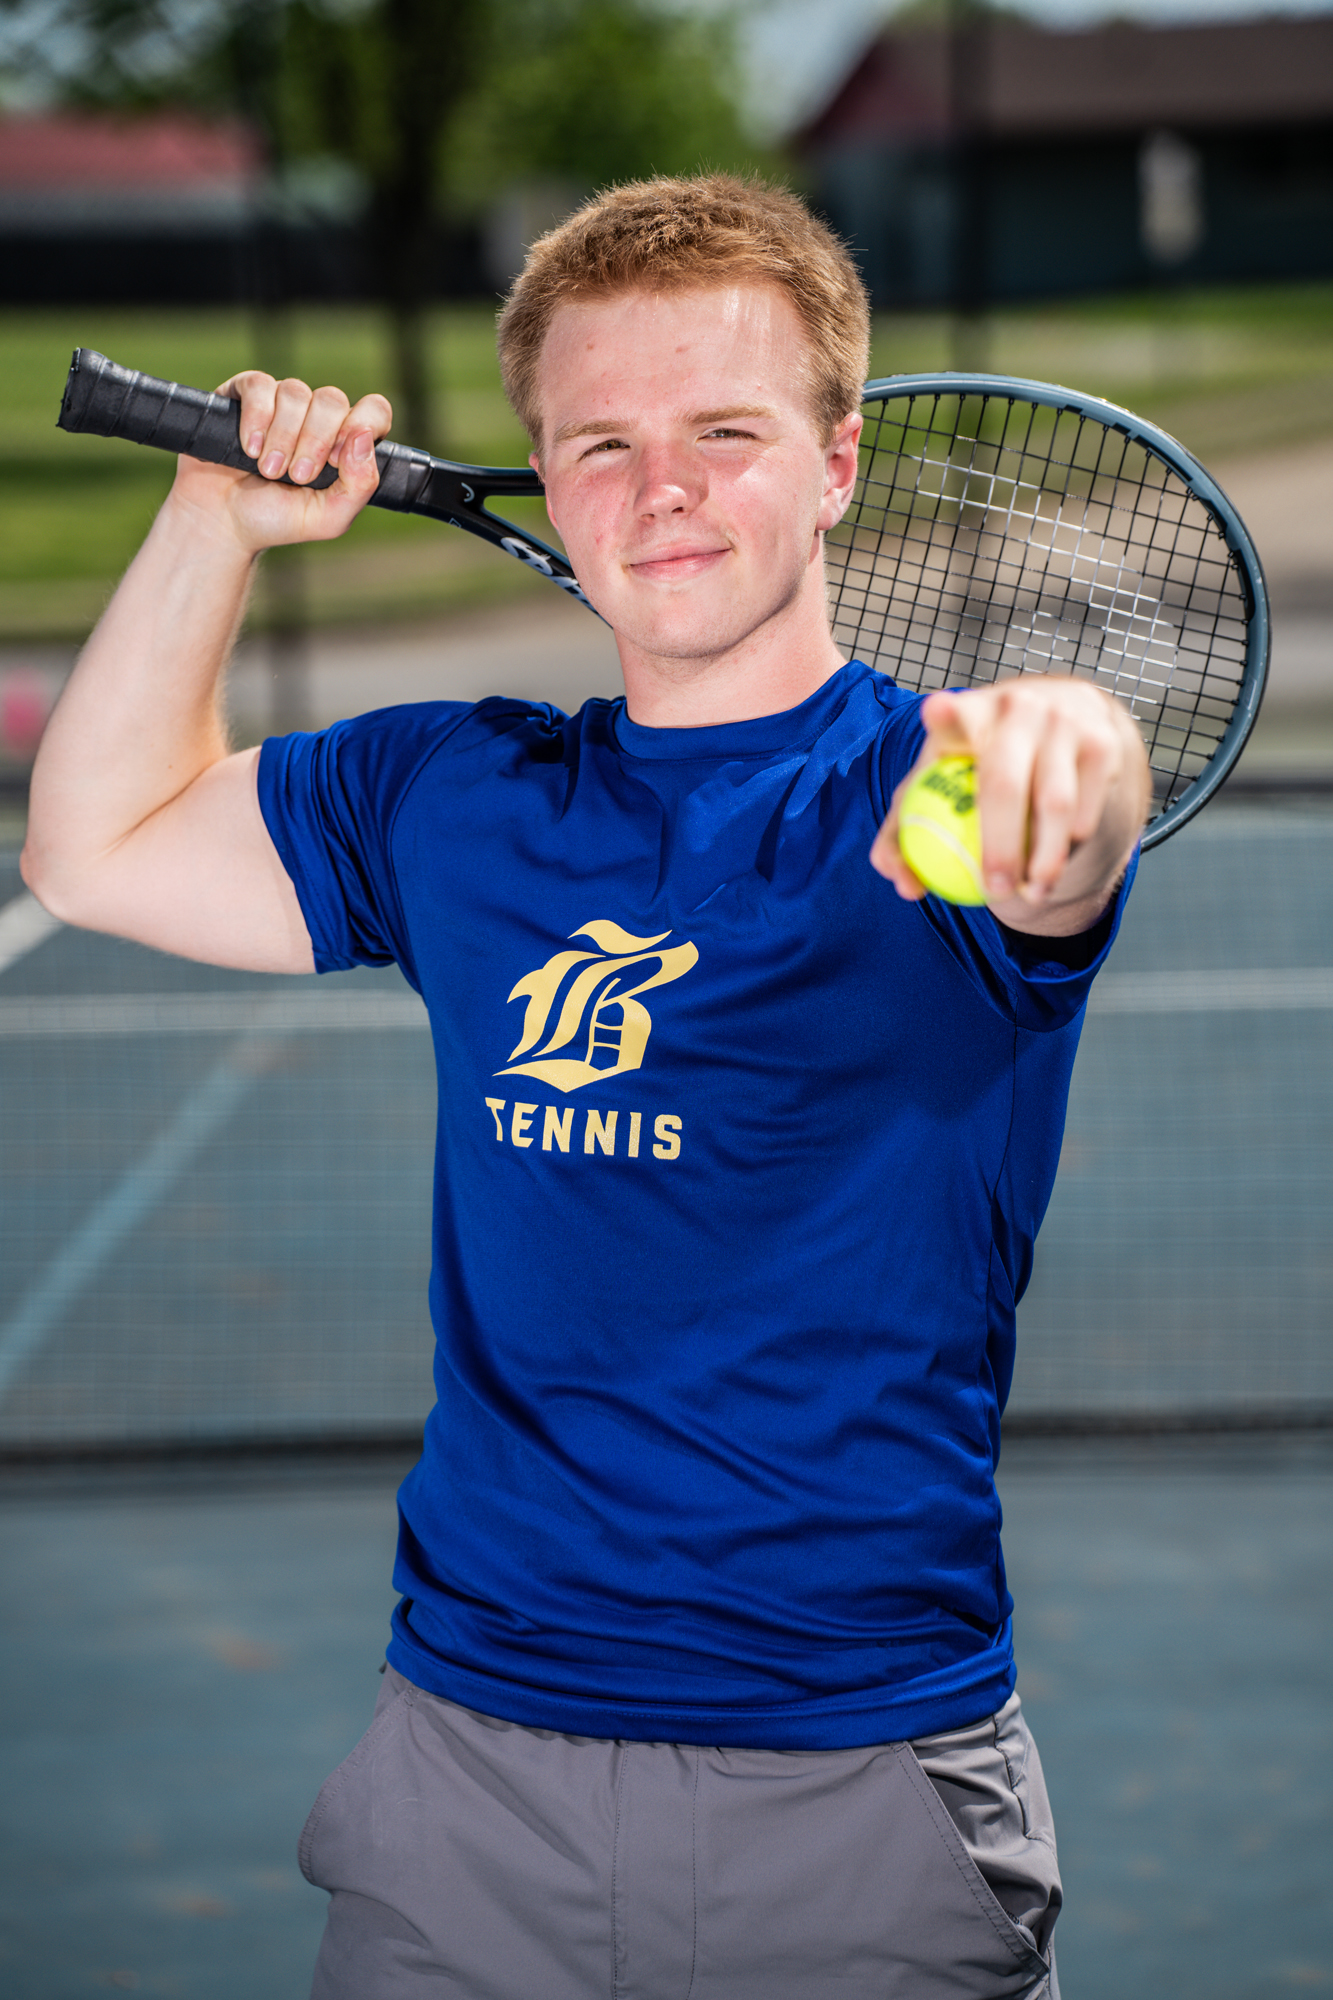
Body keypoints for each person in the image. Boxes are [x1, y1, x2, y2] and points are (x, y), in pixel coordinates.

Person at [23, 175, 1149, 1999]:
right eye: (600, 443)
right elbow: (96, 849)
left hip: (856, 1784)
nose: (662, 488)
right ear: (544, 483)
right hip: (467, 1775)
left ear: (837, 465)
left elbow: (1055, 818)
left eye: (725, 432)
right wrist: (210, 525)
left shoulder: (920, 797)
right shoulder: (454, 796)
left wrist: (1070, 744)